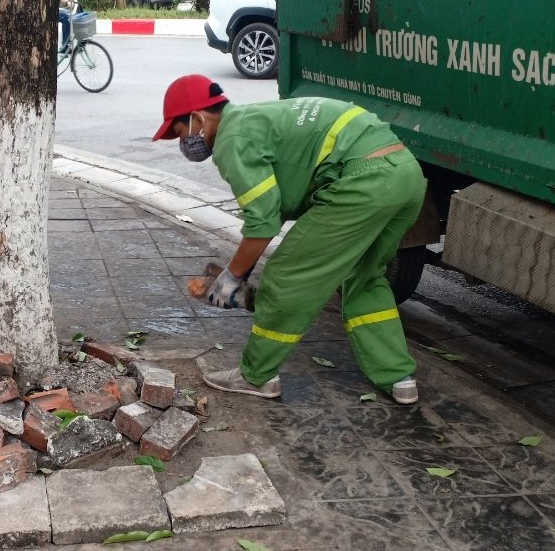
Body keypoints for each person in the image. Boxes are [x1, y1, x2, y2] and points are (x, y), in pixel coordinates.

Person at [153, 74, 424, 404]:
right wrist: (241, 275)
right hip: (405, 174)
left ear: (197, 118)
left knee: (285, 276)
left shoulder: (232, 138)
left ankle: (257, 376)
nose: (184, 143)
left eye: (180, 133)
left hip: (363, 181)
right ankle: (399, 377)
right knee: (365, 277)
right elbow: (275, 207)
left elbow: (263, 223)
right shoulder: (256, 119)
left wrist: (230, 279)